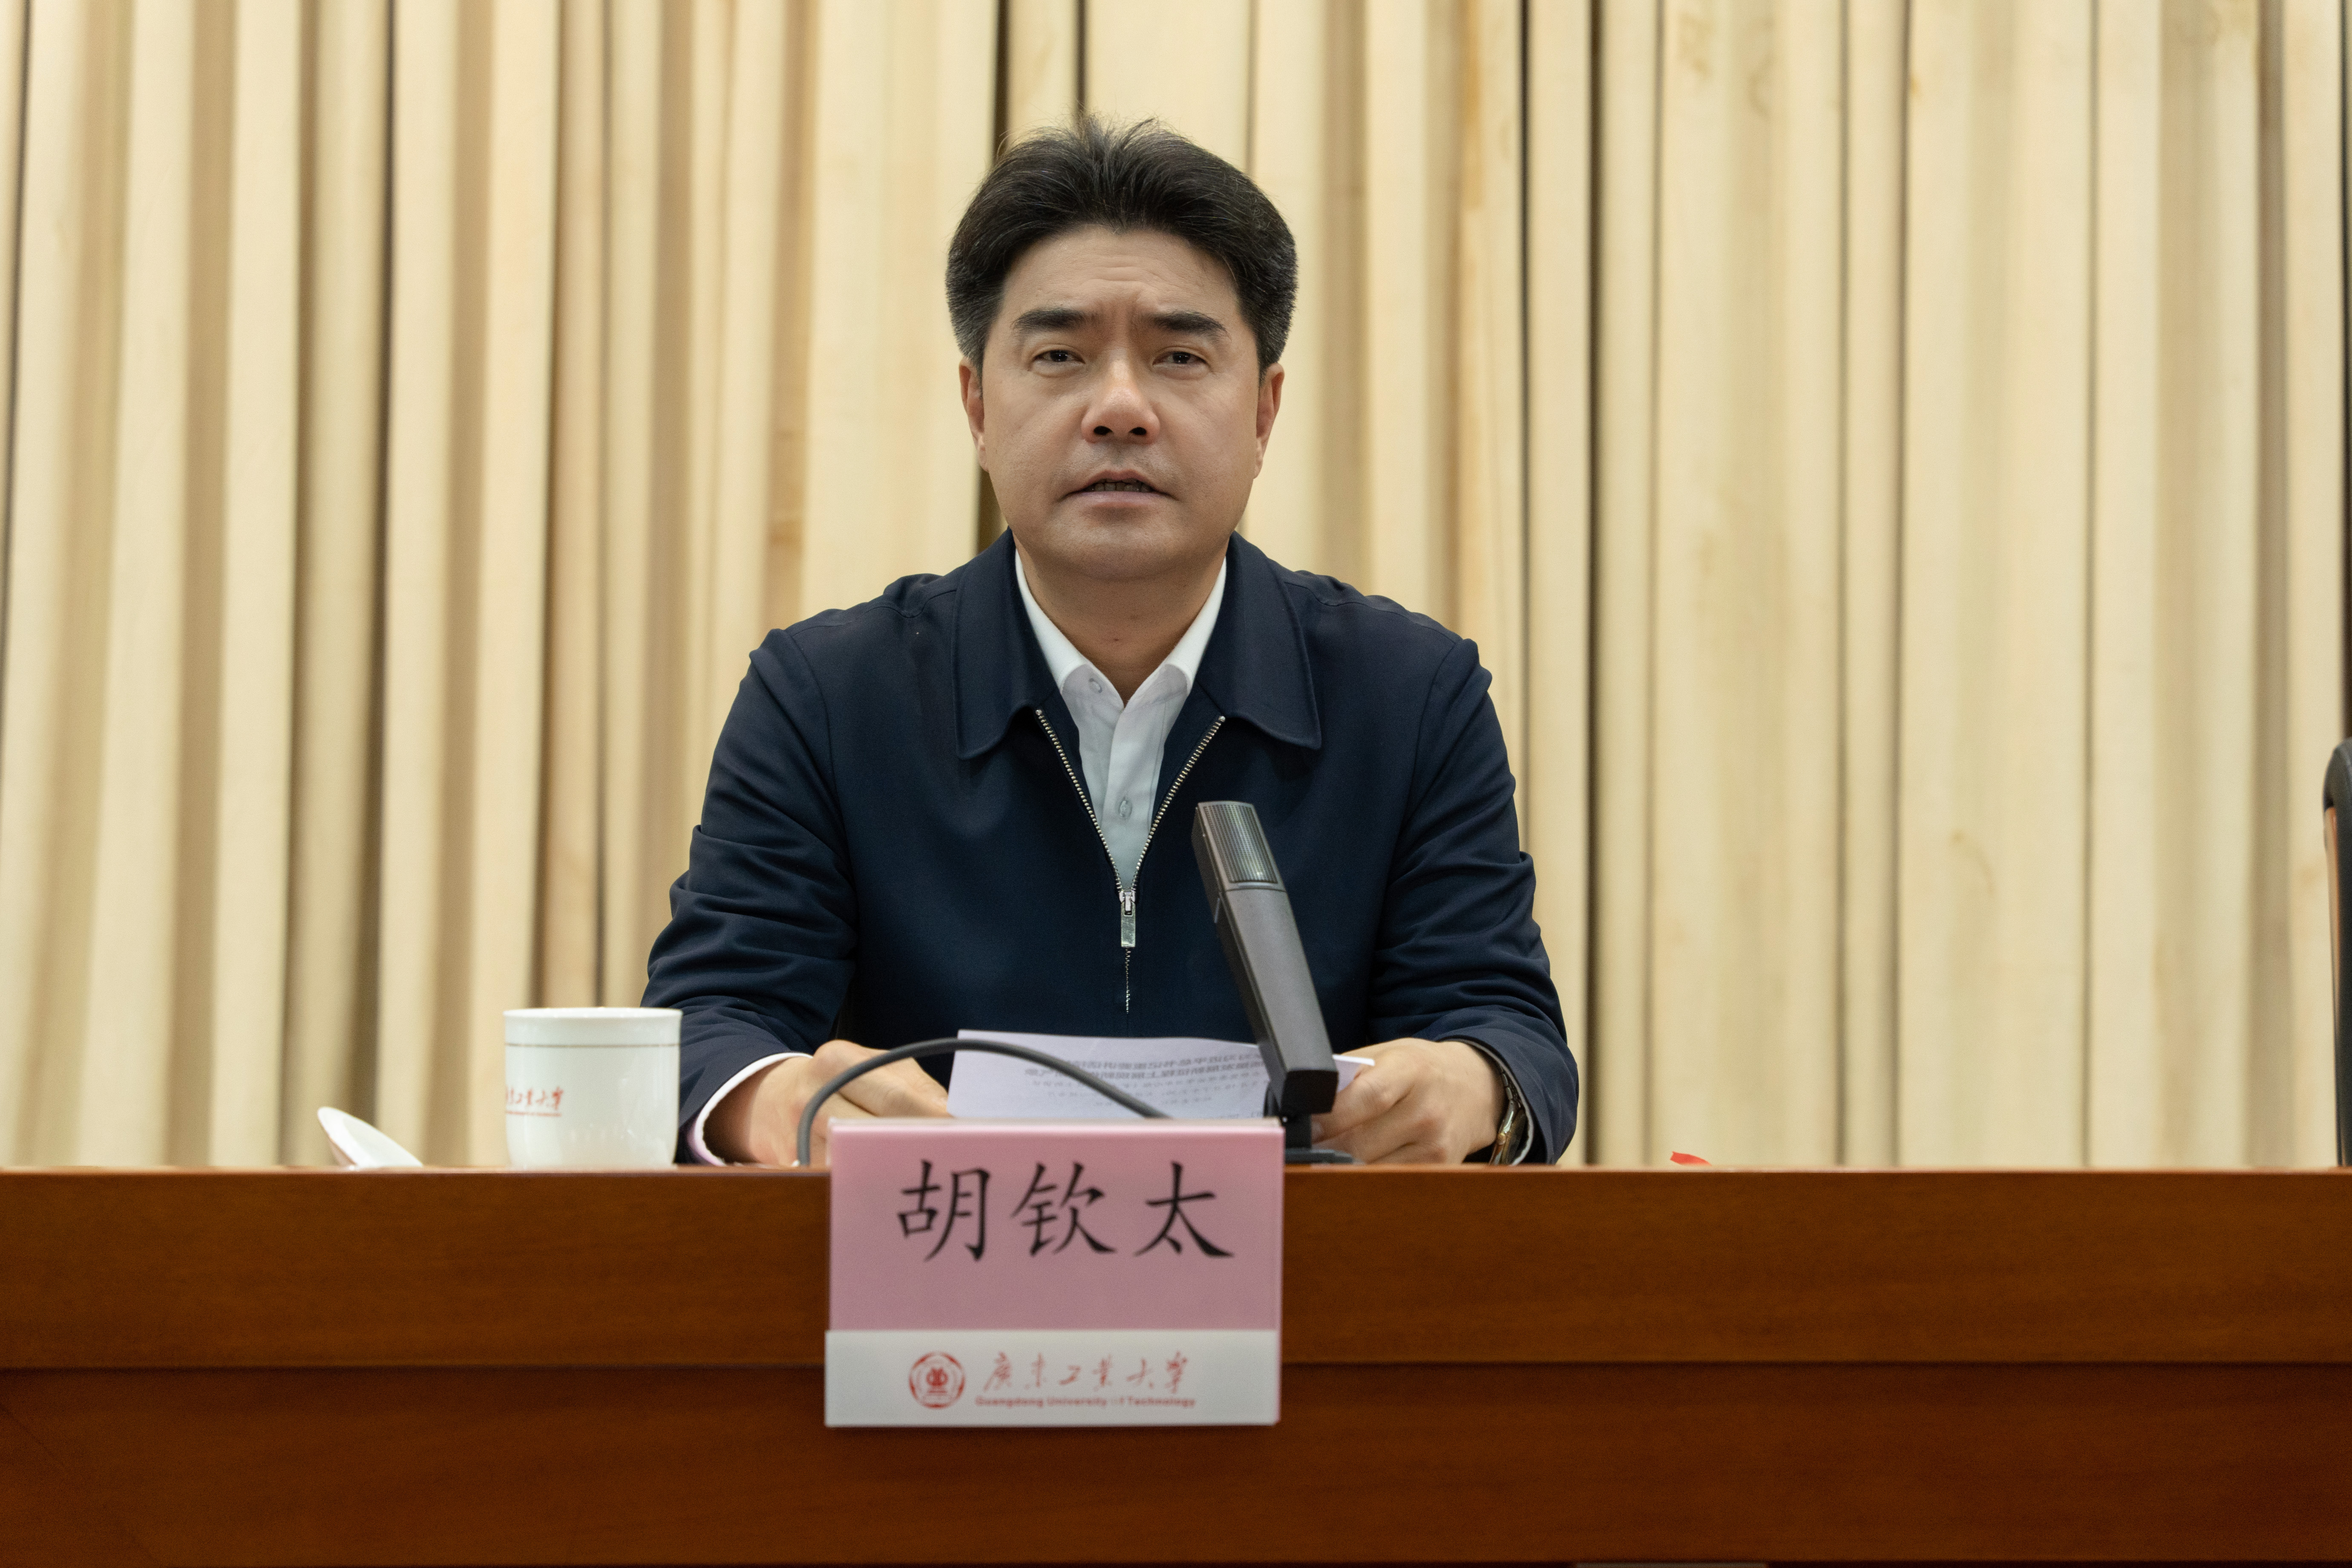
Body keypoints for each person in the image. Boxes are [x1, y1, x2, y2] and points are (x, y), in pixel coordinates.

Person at [645, 118, 1576, 1167]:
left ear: (1264, 411)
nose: (1121, 408)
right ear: (977, 406)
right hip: (934, 1260)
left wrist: (1471, 1083)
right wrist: (777, 1100)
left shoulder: (1409, 695)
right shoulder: (826, 695)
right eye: (1059, 355)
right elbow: (707, 1022)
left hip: (1301, 1264)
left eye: (1180, 356)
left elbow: (1508, 1029)